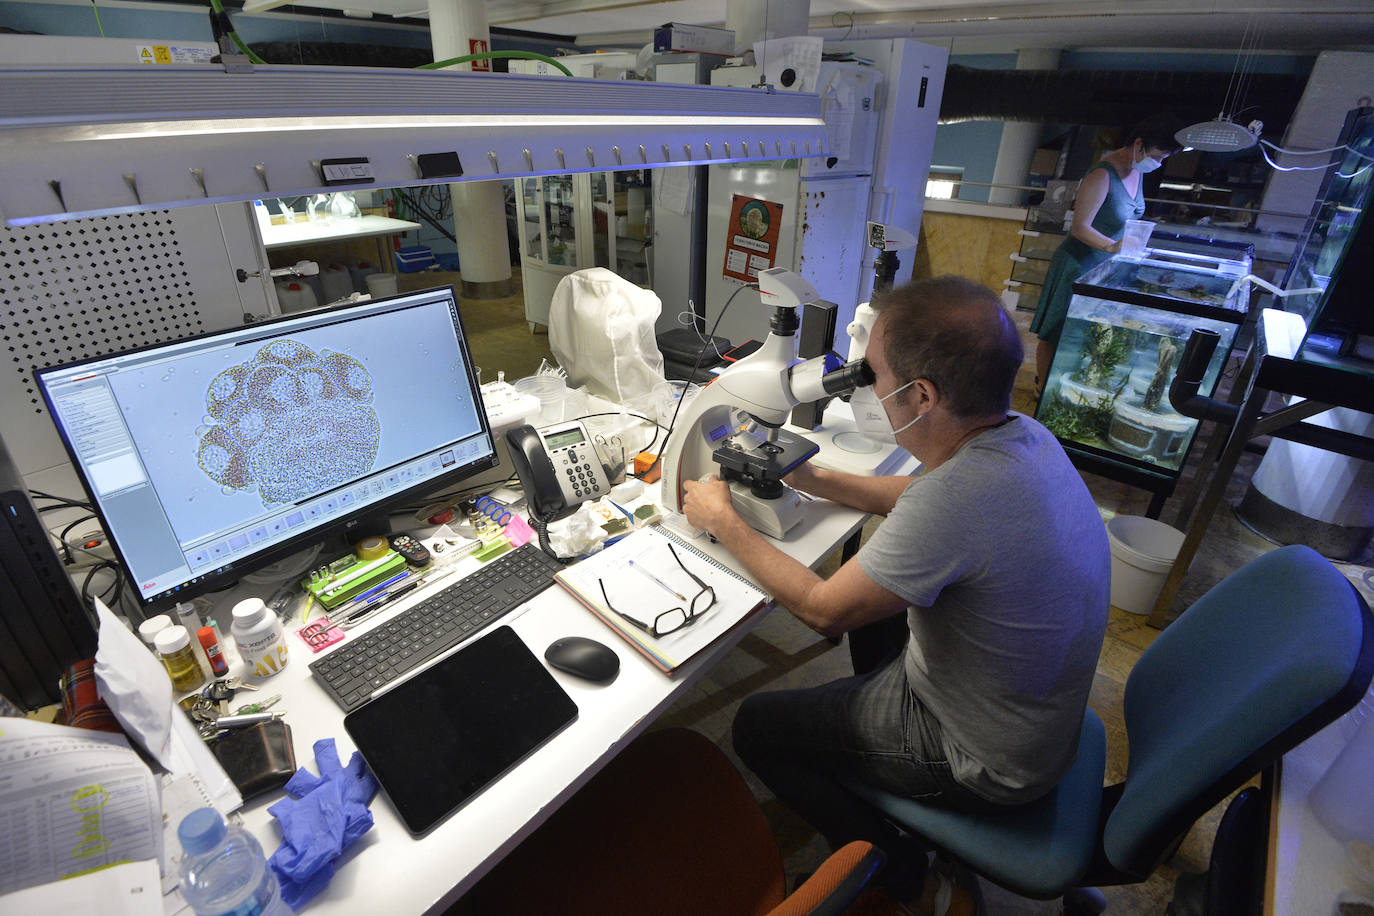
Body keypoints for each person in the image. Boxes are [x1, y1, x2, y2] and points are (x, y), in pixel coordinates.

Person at [681, 276, 1110, 909]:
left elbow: (822, 611)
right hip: (1035, 717)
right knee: (880, 616)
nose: (868, 384)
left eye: (874, 373)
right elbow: (919, 502)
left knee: (758, 726)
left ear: (922, 396)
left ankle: (903, 872)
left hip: (983, 758)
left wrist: (723, 520)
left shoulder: (956, 498)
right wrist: (814, 476)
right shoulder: (1023, 437)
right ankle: (875, 767)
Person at [1030, 114, 1184, 395]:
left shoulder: (1136, 172)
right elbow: (1080, 227)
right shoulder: (1102, 174)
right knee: (1056, 332)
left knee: (1083, 333)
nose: (1159, 163)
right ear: (1139, 144)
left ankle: (1067, 385)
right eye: (1158, 156)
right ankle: (1043, 389)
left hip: (1103, 267)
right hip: (1078, 263)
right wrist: (1113, 246)